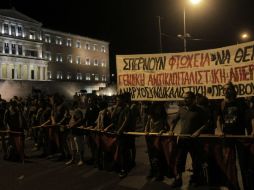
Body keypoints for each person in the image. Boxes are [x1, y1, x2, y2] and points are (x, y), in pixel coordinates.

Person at [170, 91, 209, 188]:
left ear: (192, 99)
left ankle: (196, 179)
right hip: (183, 140)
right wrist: (171, 130)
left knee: (196, 161)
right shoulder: (181, 110)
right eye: (184, 97)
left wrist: (198, 132)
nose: (184, 99)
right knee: (180, 160)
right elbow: (174, 120)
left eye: (187, 98)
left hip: (194, 141)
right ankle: (178, 179)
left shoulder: (199, 110)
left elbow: (207, 123)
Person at [216, 82, 250, 190]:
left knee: (244, 163)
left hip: (240, 136)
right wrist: (220, 131)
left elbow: (249, 117)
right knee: (229, 163)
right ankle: (233, 186)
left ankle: (247, 186)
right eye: (225, 89)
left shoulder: (240, 102)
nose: (227, 91)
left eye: (229, 89)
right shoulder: (221, 104)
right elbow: (218, 120)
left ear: (233, 90)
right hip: (227, 136)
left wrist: (251, 131)